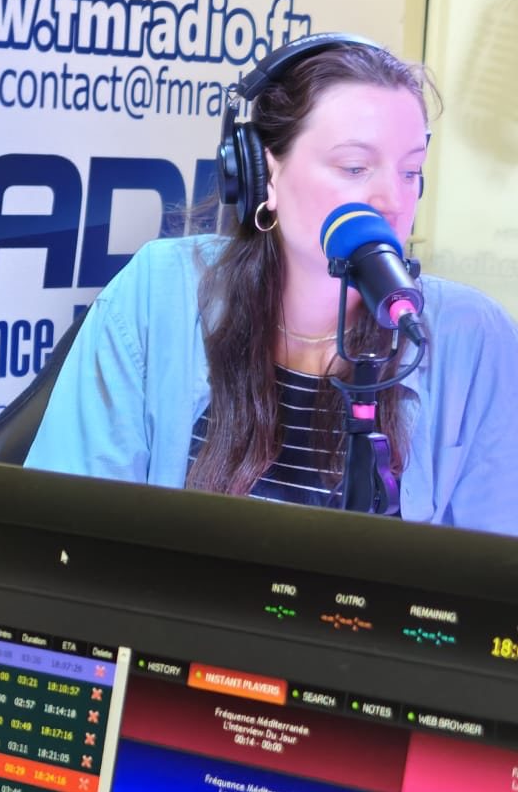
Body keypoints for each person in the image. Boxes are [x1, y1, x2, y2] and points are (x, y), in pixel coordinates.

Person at [26, 38, 518, 529]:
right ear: (264, 173)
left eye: (410, 172)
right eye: (354, 167)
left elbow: (492, 561)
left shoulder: (473, 336)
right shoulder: (158, 292)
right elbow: (68, 526)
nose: (392, 199)